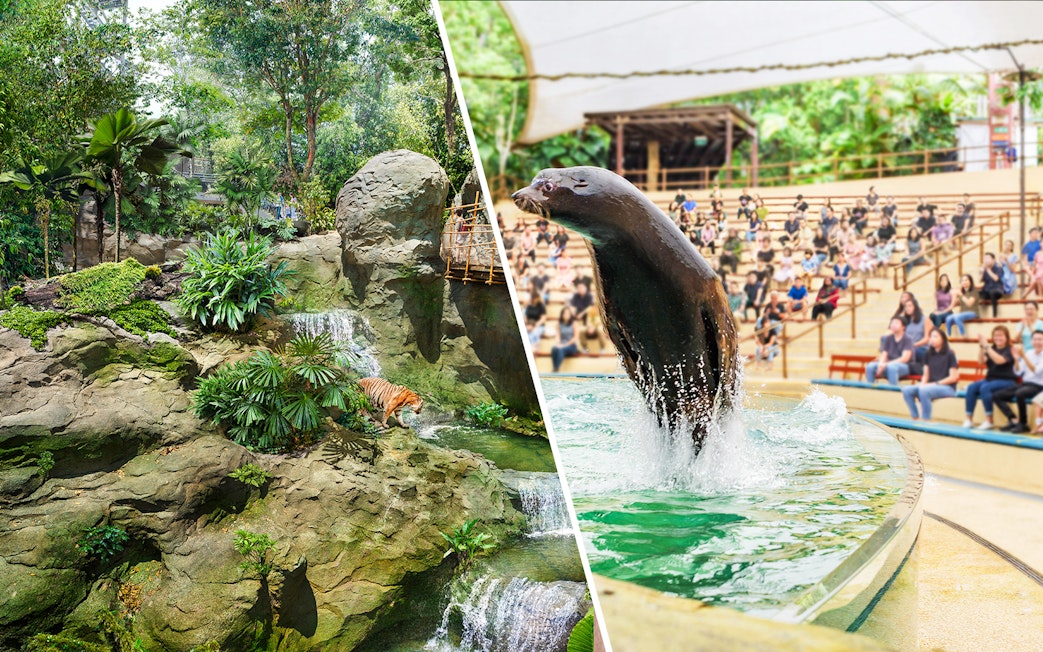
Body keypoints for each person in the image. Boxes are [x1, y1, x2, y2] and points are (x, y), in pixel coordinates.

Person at [963, 326, 1018, 429]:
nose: (998, 338)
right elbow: (981, 361)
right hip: (991, 379)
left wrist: (987, 347)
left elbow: (999, 360)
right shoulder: (991, 348)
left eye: (1001, 335)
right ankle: (969, 419)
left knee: (985, 388)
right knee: (971, 387)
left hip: (1007, 381)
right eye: (995, 335)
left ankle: (989, 420)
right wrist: (982, 347)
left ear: (1006, 337)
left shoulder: (1010, 349)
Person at [901, 330, 959, 421]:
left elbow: (953, 378)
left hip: (947, 387)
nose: (932, 339)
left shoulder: (950, 354)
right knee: (907, 390)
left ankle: (925, 420)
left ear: (943, 339)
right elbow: (926, 375)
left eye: (935, 337)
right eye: (931, 337)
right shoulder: (928, 354)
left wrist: (936, 384)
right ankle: (915, 417)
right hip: (930, 386)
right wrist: (922, 385)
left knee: (924, 390)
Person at [993, 330, 1043, 432]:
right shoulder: (1029, 353)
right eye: (1035, 339)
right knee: (997, 395)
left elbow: (1036, 371)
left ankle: (1023, 423)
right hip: (1025, 384)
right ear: (1031, 341)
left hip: (1038, 386)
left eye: (1040, 339)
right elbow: (1018, 372)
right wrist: (1016, 359)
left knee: (1020, 393)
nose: (1037, 342)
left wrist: (1024, 356)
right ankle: (1013, 420)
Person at [866, 317, 914, 385]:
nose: (893, 325)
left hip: (905, 366)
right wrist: (881, 364)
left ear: (903, 327)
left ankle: (893, 389)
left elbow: (905, 358)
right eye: (892, 323)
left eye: (896, 323)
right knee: (870, 366)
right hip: (888, 364)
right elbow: (884, 354)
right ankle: (871, 387)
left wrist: (886, 364)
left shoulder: (908, 339)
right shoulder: (888, 338)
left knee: (891, 367)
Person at [898, 295, 933, 364]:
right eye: (906, 307)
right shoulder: (905, 321)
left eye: (910, 306)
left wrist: (913, 345)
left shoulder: (925, 319)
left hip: (921, 348)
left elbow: (927, 338)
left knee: (913, 352)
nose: (907, 308)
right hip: (908, 348)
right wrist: (901, 316)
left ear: (915, 307)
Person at [551, 307, 581, 372]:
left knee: (561, 349)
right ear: (562, 314)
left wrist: (564, 345)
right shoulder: (559, 324)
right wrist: (558, 344)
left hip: (571, 345)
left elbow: (575, 337)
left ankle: (556, 369)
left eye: (568, 313)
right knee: (554, 349)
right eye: (564, 313)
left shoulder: (574, 323)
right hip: (562, 343)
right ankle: (555, 367)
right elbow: (558, 336)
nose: (566, 315)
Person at [979, 252, 1005, 317]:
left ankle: (994, 315)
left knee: (992, 292)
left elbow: (996, 278)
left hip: (997, 290)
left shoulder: (998, 268)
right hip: (986, 290)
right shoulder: (984, 269)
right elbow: (980, 280)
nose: (986, 260)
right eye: (985, 258)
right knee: (975, 293)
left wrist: (988, 270)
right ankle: (978, 313)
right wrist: (982, 271)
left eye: (988, 258)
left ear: (994, 260)